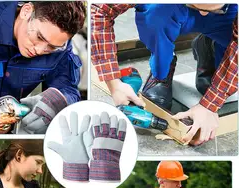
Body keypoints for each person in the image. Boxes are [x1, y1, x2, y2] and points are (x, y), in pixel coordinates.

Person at [91, 4, 238, 145]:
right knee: (157, 14)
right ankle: (162, 69)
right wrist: (114, 83)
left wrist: (209, 106)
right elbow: (99, 10)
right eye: (195, 5)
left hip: (229, 18)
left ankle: (211, 47)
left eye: (218, 7)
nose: (204, 13)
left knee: (225, 83)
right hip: (171, 10)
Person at [0, 1, 86, 134]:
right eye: (39, 37)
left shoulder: (60, 46)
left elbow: (69, 90)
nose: (39, 50)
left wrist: (57, 100)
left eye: (52, 47)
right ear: (26, 11)